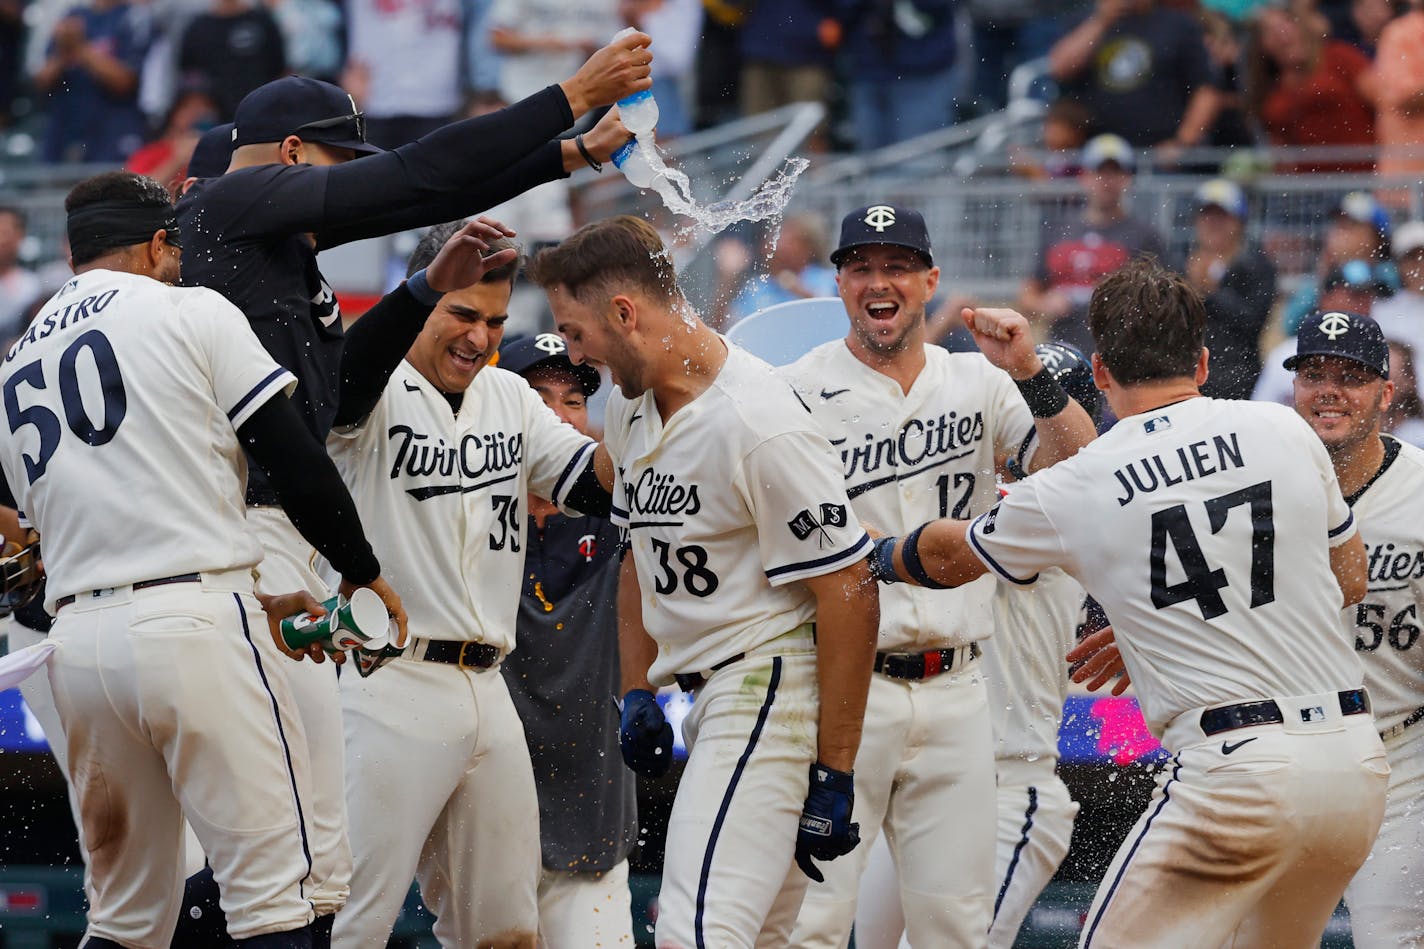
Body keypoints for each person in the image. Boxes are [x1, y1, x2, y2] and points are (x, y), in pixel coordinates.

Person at [176, 40, 650, 937]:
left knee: (492, 923)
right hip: (271, 569)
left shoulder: (283, 264)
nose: (351, 186)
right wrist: (568, 98)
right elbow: (414, 180)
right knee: (309, 899)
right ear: (288, 157)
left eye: (490, 320)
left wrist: (564, 158)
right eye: (334, 166)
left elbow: (416, 211)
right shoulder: (230, 205)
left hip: (453, 662)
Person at [869, 256, 1388, 947]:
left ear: (1104, 372)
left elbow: (944, 556)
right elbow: (1349, 579)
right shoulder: (1281, 428)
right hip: (1352, 766)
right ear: (1202, 362)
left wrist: (867, 546)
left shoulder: (1080, 480)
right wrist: (1192, 616)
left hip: (1235, 770)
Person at [0, 170, 406, 948]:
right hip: (193, 621)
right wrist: (361, 566)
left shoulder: (19, 354)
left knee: (124, 919)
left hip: (79, 647)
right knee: (275, 901)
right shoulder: (189, 308)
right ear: (157, 242)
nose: (180, 261)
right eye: (173, 248)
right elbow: (292, 457)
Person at [527, 215, 880, 948]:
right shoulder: (629, 401)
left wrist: (835, 770)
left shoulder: (758, 418)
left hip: (769, 688)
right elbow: (637, 557)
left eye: (574, 331)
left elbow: (850, 586)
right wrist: (636, 689)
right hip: (714, 689)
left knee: (694, 931)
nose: (574, 353)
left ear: (624, 313)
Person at [777, 205, 1097, 947]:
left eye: (896, 266)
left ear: (931, 281)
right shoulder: (793, 389)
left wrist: (1026, 369)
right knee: (811, 925)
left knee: (954, 928)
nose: (878, 282)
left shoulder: (978, 381)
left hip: (960, 690)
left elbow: (1077, 461)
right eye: (862, 266)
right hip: (843, 684)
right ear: (839, 281)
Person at [324, 220, 616, 948]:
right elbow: (341, 380)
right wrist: (420, 288)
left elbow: (593, 482)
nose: (480, 338)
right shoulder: (370, 388)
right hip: (388, 680)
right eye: (461, 314)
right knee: (349, 920)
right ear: (421, 300)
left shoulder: (510, 398)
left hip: (490, 688)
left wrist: (650, 392)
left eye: (494, 322)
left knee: (504, 929)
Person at [851, 342, 1103, 949]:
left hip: (1009, 792)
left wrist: (844, 524)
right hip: (929, 777)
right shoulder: (980, 494)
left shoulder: (1054, 509)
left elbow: (937, 545)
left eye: (1033, 413)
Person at [1285, 312, 1424, 949]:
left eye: (1352, 377)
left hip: (1403, 755)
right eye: (1313, 374)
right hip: (1288, 754)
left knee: (1390, 938)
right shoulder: (1259, 486)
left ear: (1386, 394)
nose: (1330, 389)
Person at [499, 331, 638, 949]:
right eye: (537, 399)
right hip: (485, 819)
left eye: (574, 401)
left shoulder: (627, 518)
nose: (558, 418)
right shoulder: (455, 512)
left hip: (592, 821)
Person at [1018, 133, 1167, 354]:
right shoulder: (1058, 230)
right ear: (1084, 176)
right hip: (1063, 347)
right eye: (1099, 172)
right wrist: (1045, 305)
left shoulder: (1145, 235)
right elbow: (1028, 293)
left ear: (1127, 178)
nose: (1106, 181)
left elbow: (1162, 300)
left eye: (1114, 172)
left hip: (1119, 351)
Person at [1047, 0, 1222, 151]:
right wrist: (1101, 21)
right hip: (1097, 155)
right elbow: (1060, 68)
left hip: (1159, 152)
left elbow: (1206, 90)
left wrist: (1182, 143)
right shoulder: (1084, 21)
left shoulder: (1179, 26)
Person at [1181, 178, 1276, 400]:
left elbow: (1253, 321)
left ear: (1239, 222)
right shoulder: (1181, 265)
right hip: (1190, 380)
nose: (1213, 223)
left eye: (1222, 216)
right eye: (1206, 215)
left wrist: (1210, 294)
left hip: (1239, 380)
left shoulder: (1257, 266)